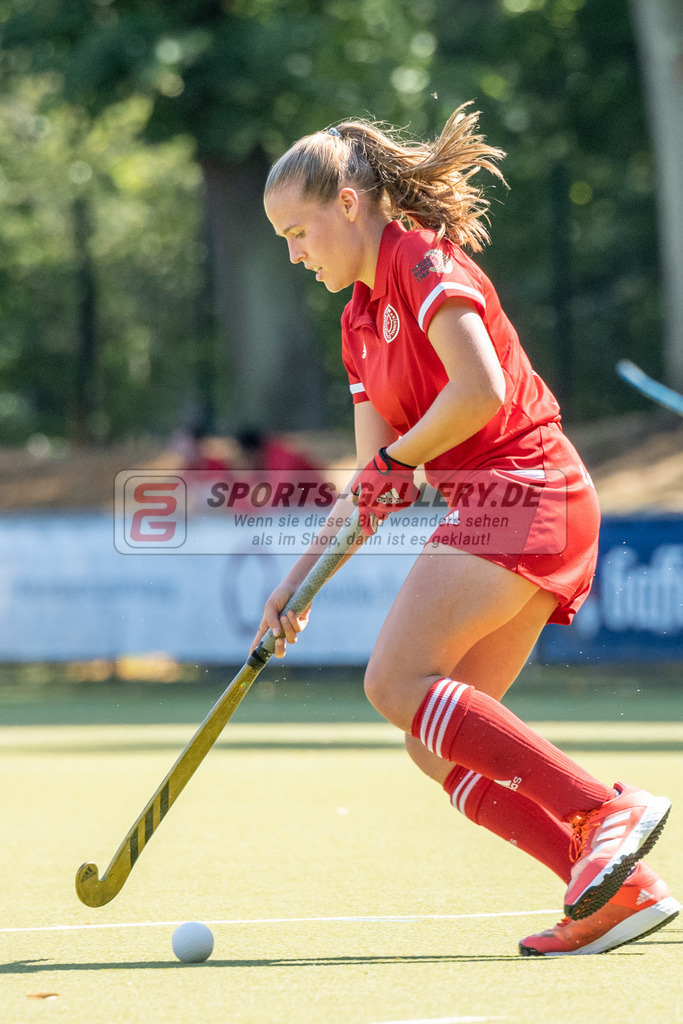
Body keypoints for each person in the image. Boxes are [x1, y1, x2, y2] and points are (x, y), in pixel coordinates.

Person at [253, 106, 679, 956]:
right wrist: (297, 587)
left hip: (528, 489)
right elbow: (378, 485)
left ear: (347, 203)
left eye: (299, 233)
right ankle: (611, 889)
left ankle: (606, 809)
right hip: (500, 505)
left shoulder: (421, 261)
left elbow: (478, 393)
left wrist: (404, 459)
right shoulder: (355, 326)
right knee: (428, 740)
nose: (295, 256)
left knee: (392, 681)